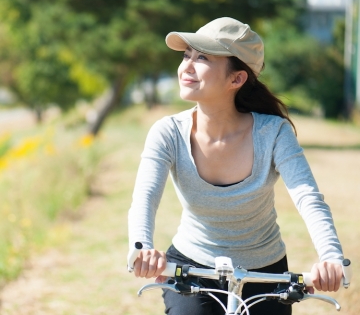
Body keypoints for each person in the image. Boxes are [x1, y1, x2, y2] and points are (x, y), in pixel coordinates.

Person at [128, 17, 344, 315]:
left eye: (202, 57)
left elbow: (308, 198)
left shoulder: (274, 133)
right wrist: (142, 247)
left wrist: (330, 257)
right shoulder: (168, 132)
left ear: (237, 79)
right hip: (192, 266)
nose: (187, 66)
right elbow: (145, 198)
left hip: (265, 271)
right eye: (186, 55)